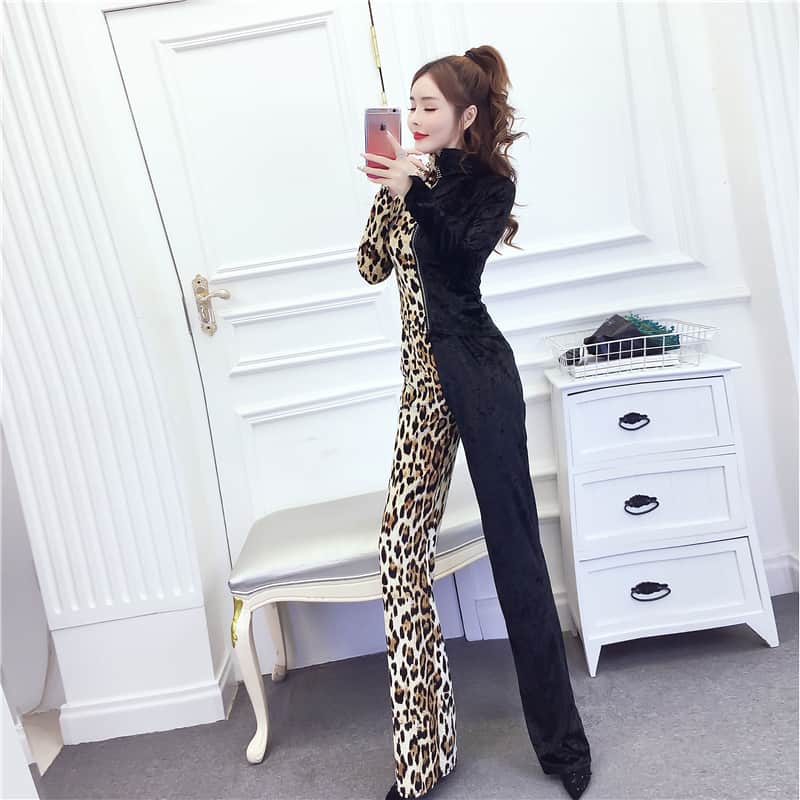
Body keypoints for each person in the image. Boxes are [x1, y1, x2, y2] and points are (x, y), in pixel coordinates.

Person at [356, 45, 592, 800]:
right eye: (410, 105)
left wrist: (416, 192)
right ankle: (421, 759)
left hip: (480, 374)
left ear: (465, 117)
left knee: (516, 551)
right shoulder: (408, 178)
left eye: (429, 106)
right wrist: (389, 190)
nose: (416, 116)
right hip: (425, 388)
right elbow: (370, 267)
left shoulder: (491, 184)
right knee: (399, 550)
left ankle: (563, 748)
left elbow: (457, 262)